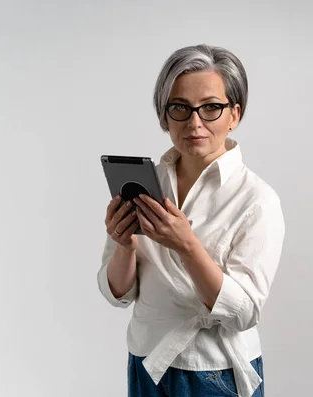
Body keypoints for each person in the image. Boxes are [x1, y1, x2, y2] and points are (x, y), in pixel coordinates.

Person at [97, 44, 285, 397]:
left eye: (211, 107)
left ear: (235, 115)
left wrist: (186, 245)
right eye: (180, 108)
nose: (194, 122)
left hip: (215, 371)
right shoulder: (147, 183)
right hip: (146, 360)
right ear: (164, 116)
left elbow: (244, 313)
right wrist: (123, 245)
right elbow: (118, 294)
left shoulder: (257, 200)